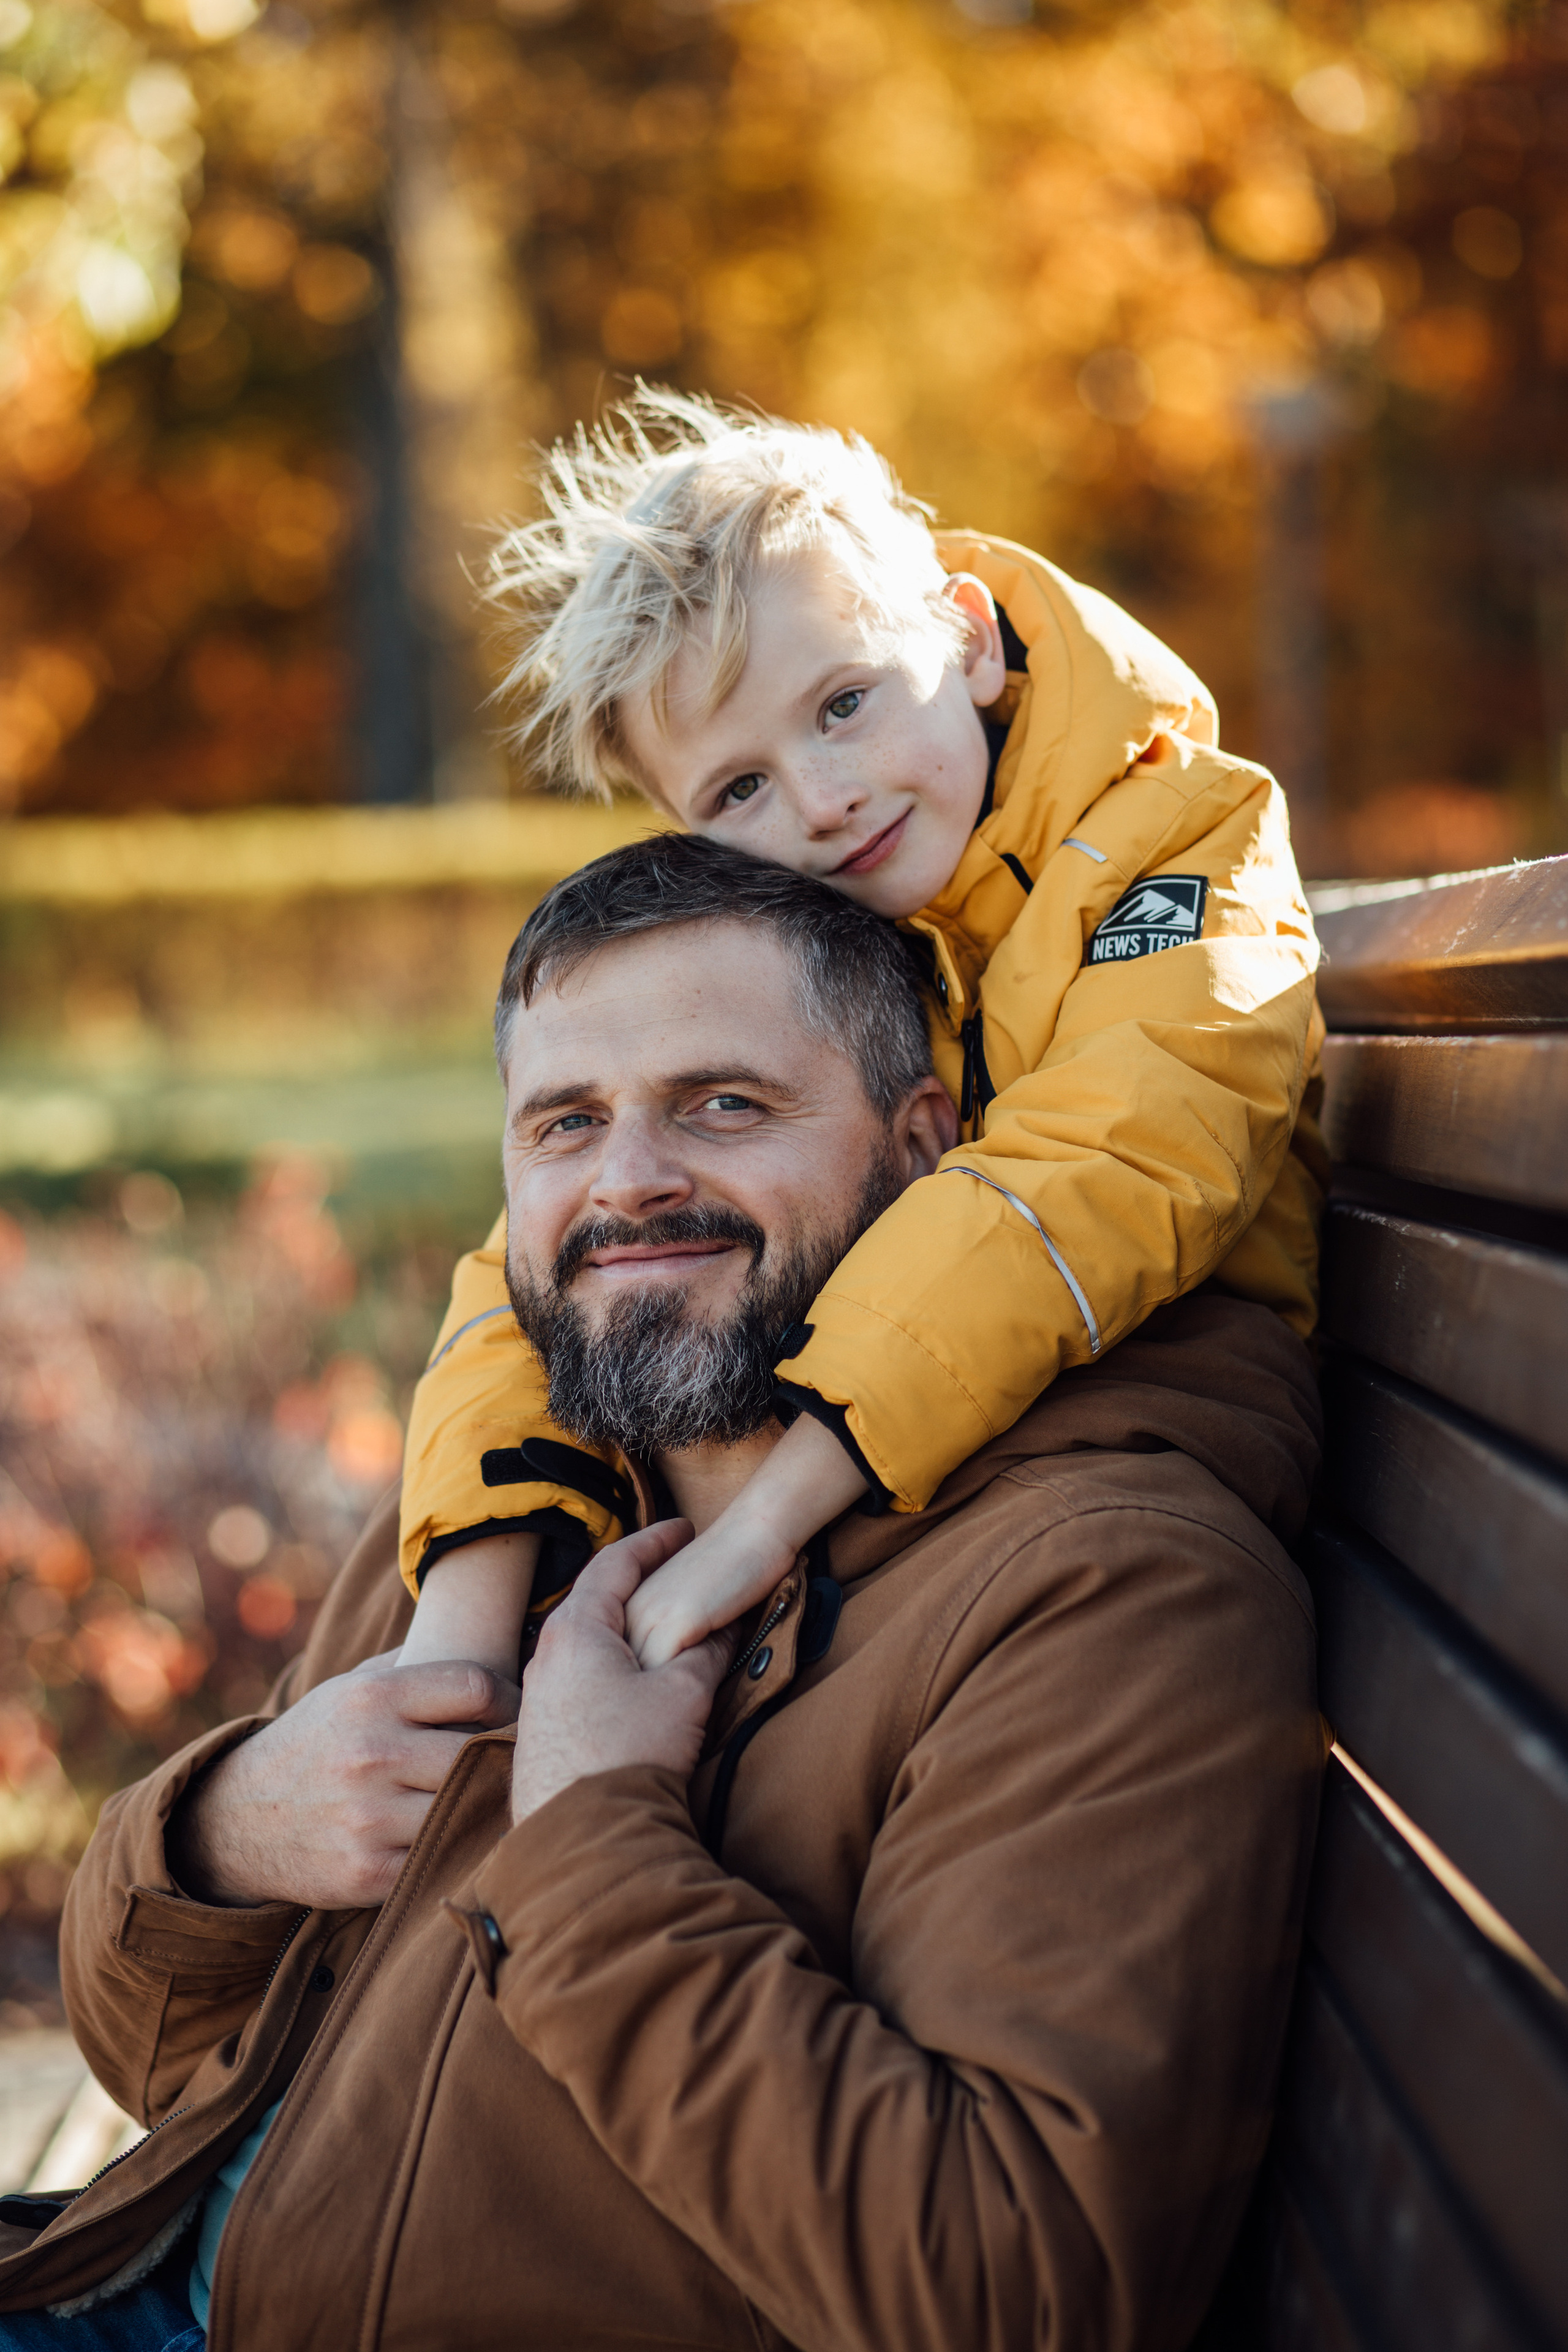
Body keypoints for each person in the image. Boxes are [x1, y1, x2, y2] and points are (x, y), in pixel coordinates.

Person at [0, 843, 1323, 2351]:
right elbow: (153, 2058)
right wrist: (224, 1829)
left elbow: (1004, 2294)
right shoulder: (507, 1513)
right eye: (567, 1123)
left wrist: (586, 1846)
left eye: (724, 1106)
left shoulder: (1099, 1588)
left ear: (923, 1147)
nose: (628, 1180)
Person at [396, 388, 1327, 1692]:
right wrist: (458, 1623)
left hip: (1147, 1394)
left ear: (964, 637)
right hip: (879, 1419)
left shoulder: (1175, 847)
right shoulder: (838, 928)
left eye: (842, 705)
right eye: (738, 789)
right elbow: (540, 1265)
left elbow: (1109, 1164)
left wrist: (765, 1522)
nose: (822, 806)